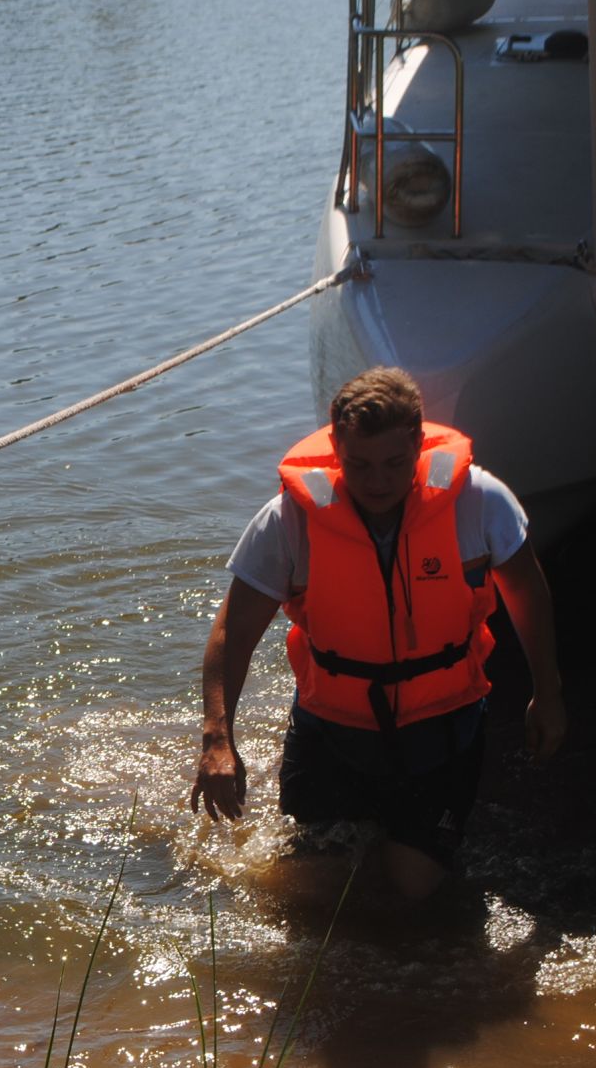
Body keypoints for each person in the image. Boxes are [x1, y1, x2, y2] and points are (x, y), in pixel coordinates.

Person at [189, 367, 566, 899]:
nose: (377, 482)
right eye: (359, 465)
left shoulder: (478, 501)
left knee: (409, 891)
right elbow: (232, 632)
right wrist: (217, 739)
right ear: (336, 446)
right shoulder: (290, 520)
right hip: (331, 729)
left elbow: (527, 592)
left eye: (394, 463)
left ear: (418, 441)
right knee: (309, 893)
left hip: (444, 723)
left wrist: (546, 693)